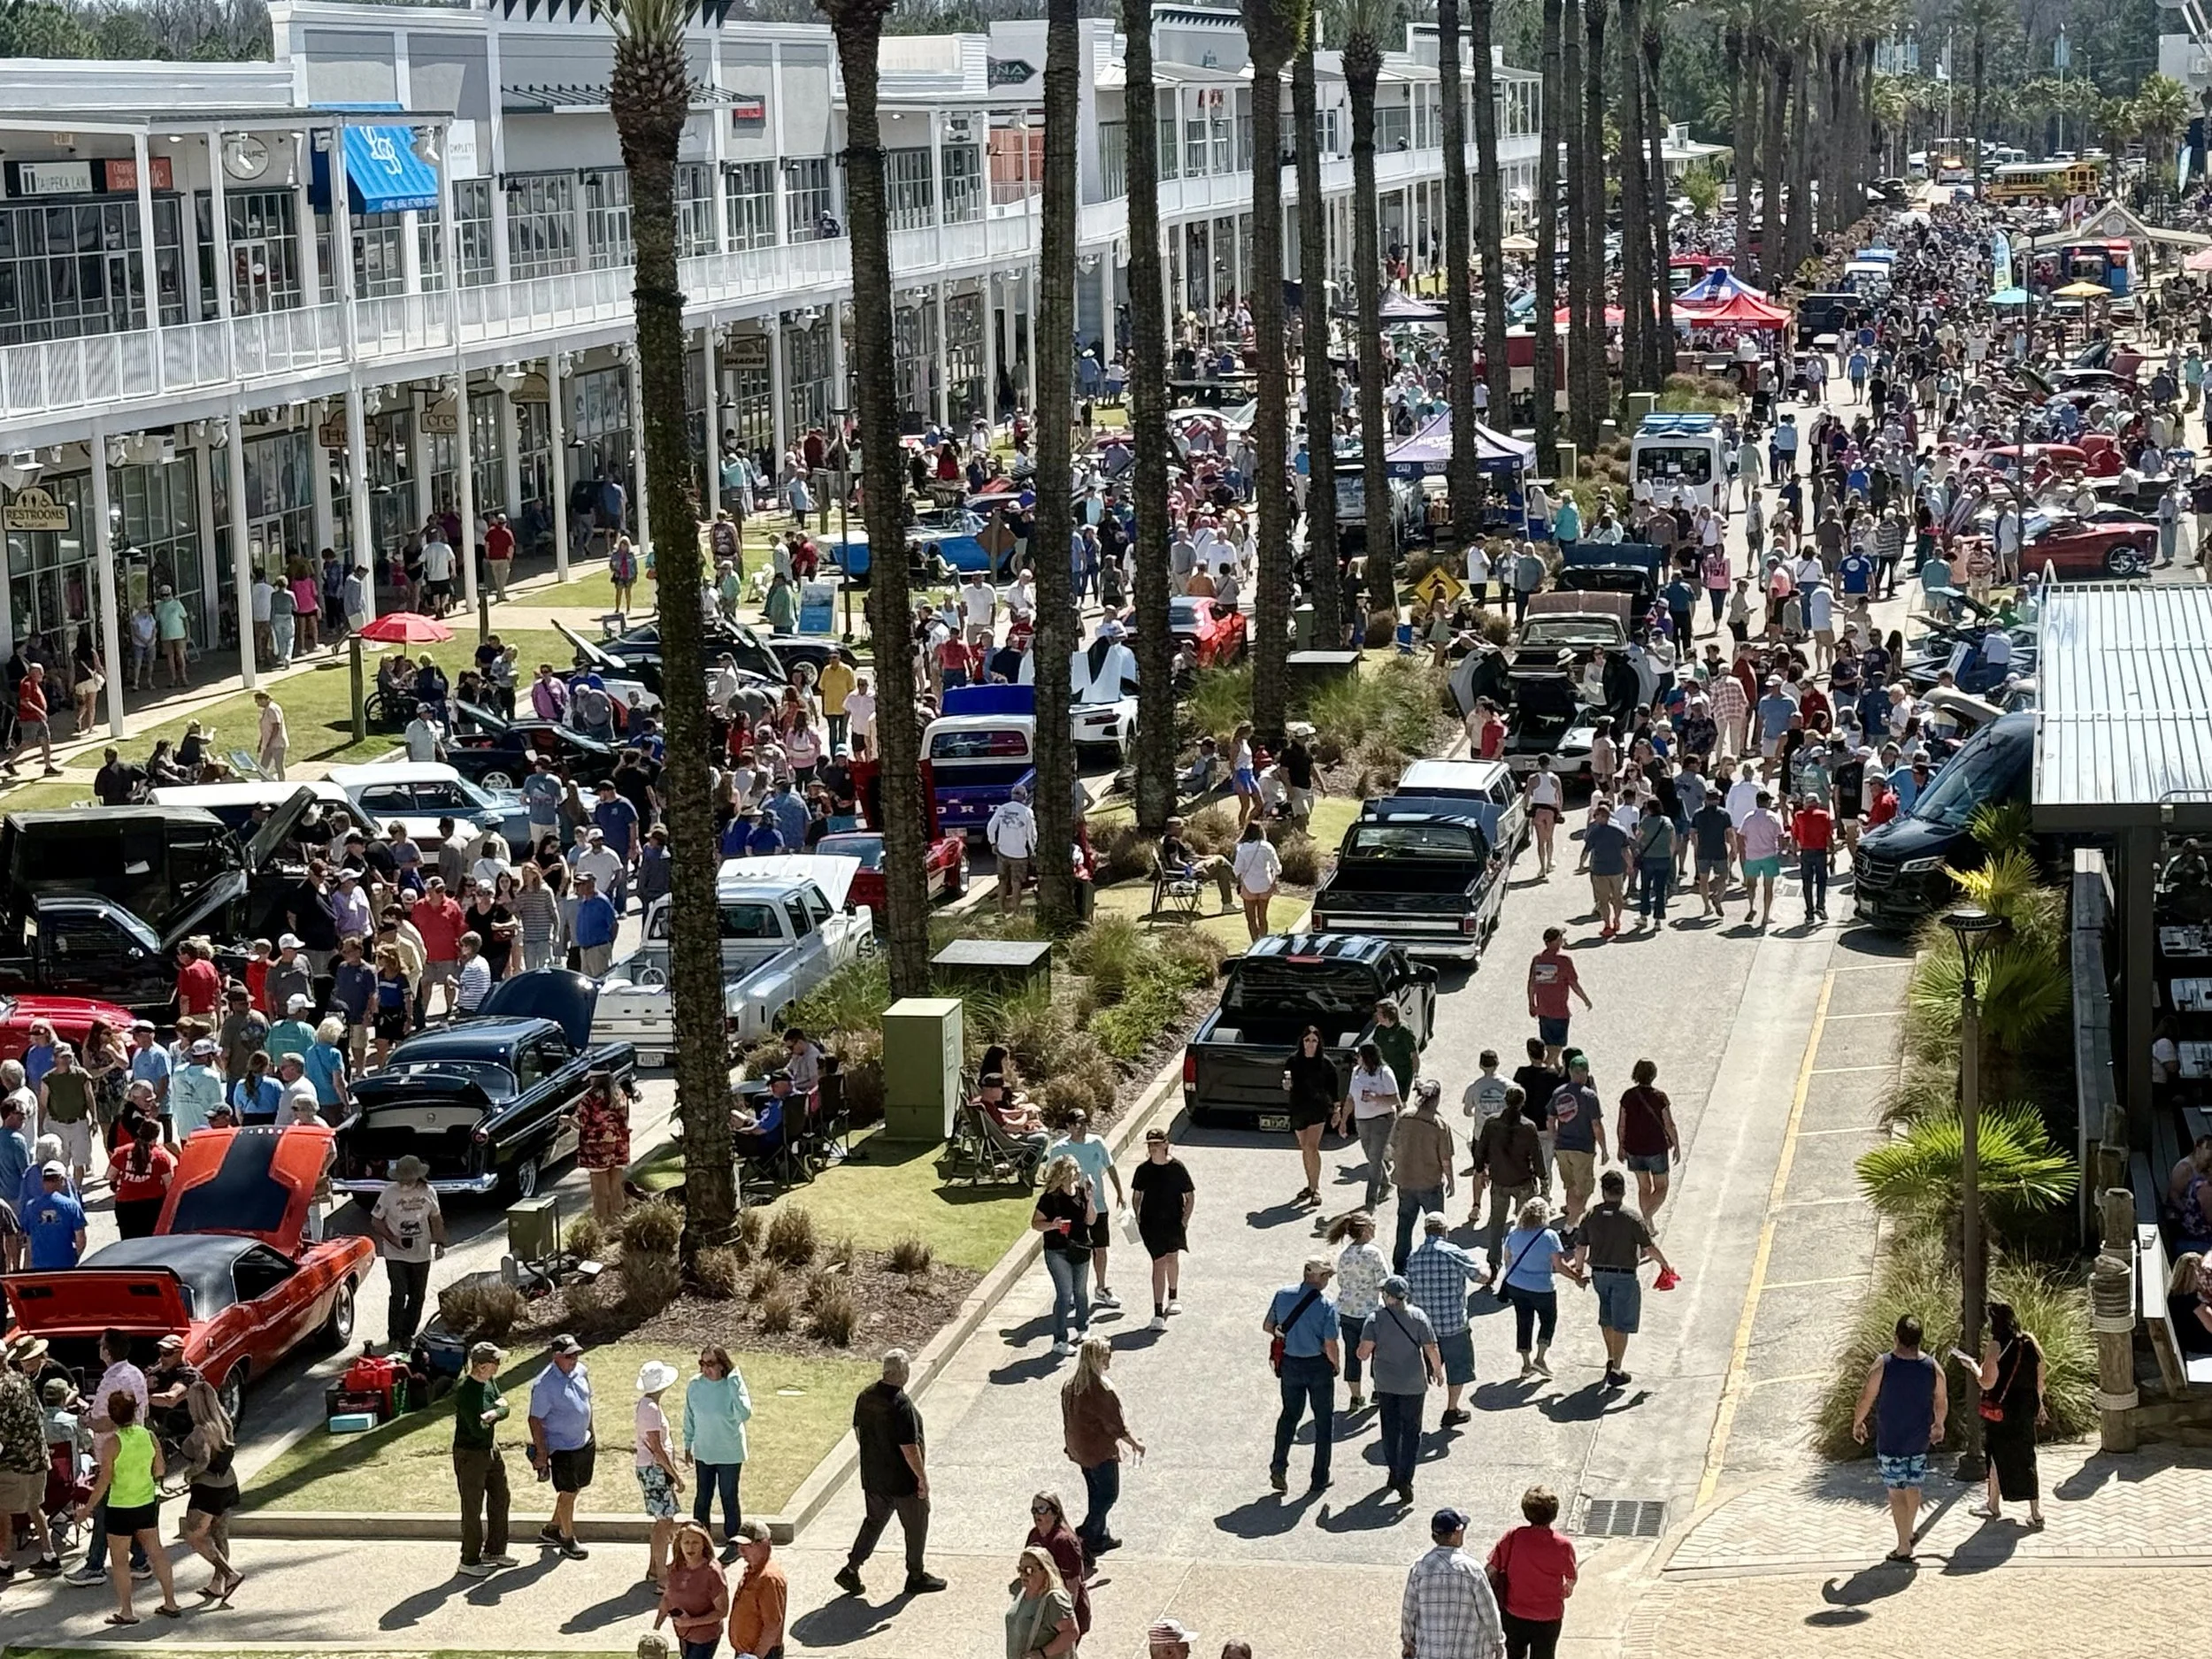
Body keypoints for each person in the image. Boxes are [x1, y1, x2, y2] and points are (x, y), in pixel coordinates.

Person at [836, 1348, 946, 1597]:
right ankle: (915, 1575)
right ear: (903, 1372)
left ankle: (852, 1568)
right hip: (903, 1482)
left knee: (873, 1523)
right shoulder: (901, 1404)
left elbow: (858, 1431)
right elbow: (909, 1447)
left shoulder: (866, 1396)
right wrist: (921, 1478)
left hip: (874, 1480)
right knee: (917, 1524)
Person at [76, 1391, 182, 1624]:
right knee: (157, 1553)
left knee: (120, 1561)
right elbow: (160, 1469)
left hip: (119, 1507)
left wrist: (86, 1509)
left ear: (112, 1416)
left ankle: (127, 1611)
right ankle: (171, 1602)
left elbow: (104, 1480)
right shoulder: (149, 1436)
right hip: (145, 1504)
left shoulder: (112, 1443)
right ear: (135, 1410)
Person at [1850, 1314, 1947, 1563]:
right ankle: (1909, 1531)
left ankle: (1904, 1545)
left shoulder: (1884, 1364)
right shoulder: (1932, 1367)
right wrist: (1939, 1425)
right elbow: (1941, 1399)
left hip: (1892, 1440)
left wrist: (1858, 1422)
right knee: (1913, 1486)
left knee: (1895, 1493)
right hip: (1919, 1440)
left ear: (1896, 1337)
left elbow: (1866, 1398)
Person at [1564, 1170, 1670, 1390]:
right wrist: (1665, 1265)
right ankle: (1617, 1369)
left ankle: (1611, 1357)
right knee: (1622, 1322)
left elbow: (1581, 1247)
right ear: (1622, 1191)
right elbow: (1649, 1247)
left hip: (1599, 1274)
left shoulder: (1591, 1215)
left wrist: (1579, 1271)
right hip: (1624, 1275)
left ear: (1604, 1192)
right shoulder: (1632, 1218)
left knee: (1607, 1316)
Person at [1357, 1273, 1441, 1503]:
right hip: (1413, 1383)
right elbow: (1431, 1347)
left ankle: (1394, 1472)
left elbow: (1363, 1353)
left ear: (1388, 1296)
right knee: (1412, 1432)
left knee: (1391, 1429)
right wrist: (1437, 1370)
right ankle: (1406, 1478)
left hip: (1386, 1383)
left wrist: (1362, 1350)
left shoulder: (1375, 1319)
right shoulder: (1418, 1317)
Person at [1263, 1256, 1340, 1494]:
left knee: (1289, 1416)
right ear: (1319, 1277)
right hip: (1318, 1367)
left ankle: (1279, 1465)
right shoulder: (1327, 1306)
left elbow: (1268, 1326)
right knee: (1323, 1421)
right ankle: (1319, 1478)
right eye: (1327, 1275)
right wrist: (1336, 1365)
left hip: (1290, 1365)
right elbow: (1330, 1344)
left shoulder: (1283, 1295)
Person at [1060, 1335, 1141, 1563]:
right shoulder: (1100, 1389)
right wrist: (1136, 1444)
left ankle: (1099, 1536)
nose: (1110, 1359)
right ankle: (1084, 1535)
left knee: (1095, 1493)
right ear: (1096, 1359)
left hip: (1080, 1449)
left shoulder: (1070, 1385)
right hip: (1099, 1451)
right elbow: (1116, 1425)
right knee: (1108, 1495)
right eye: (1106, 1355)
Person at [1973, 1301, 2047, 1526]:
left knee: (1996, 1454)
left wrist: (1974, 1368)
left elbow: (1987, 1382)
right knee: (2026, 1457)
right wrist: (2040, 1404)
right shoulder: (2029, 1340)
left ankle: (1993, 1504)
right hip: (2026, 1406)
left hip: (2002, 1410)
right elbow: (2040, 1376)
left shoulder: (1996, 1345)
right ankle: (2035, 1512)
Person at [1047, 1110, 1125, 1314]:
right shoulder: (1060, 1149)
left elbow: (1110, 1166)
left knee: (1100, 1248)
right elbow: (1051, 1178)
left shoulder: (1097, 1142)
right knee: (1071, 1249)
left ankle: (1101, 1287)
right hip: (1072, 1210)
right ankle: (1073, 1291)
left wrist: (1119, 1192)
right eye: (1078, 1123)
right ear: (1069, 1127)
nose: (1082, 1127)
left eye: (1084, 1123)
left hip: (1097, 1206)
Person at [1487, 1485, 1578, 1659]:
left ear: (1526, 1512)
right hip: (1549, 1617)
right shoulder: (1563, 1546)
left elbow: (1490, 1570)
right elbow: (1571, 1577)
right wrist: (1567, 1589)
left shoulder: (1513, 1537)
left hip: (1514, 1614)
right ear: (1554, 1513)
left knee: (1514, 1654)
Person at [1496, 1198, 1582, 1382]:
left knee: (1524, 1321)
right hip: (1542, 1288)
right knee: (1548, 1320)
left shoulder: (1514, 1232)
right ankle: (1540, 1359)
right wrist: (1577, 1278)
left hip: (1517, 1286)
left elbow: (1507, 1259)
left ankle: (1526, 1363)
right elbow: (1559, 1266)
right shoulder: (1549, 1236)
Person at [1402, 1506, 1504, 1659]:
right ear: (1456, 1533)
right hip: (1469, 1652)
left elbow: (1409, 1611)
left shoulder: (1419, 1568)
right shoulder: (1472, 1570)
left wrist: (1408, 1643)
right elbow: (1489, 1612)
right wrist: (1498, 1643)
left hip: (1429, 1652)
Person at [453, 1340, 518, 1578]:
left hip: (490, 1448)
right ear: (481, 1366)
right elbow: (477, 1427)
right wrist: (492, 1414)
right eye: (495, 1361)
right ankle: (469, 1559)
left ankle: (495, 1551)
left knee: (501, 1496)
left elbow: (504, 1406)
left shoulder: (490, 1382)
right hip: (470, 1453)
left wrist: (494, 1414)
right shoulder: (466, 1391)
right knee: (472, 1506)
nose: (498, 1365)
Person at [528, 1333, 595, 1560]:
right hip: (562, 1448)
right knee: (567, 1493)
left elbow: (587, 1404)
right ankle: (567, 1539)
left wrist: (591, 1432)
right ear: (556, 1356)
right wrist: (541, 1452)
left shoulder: (581, 1371)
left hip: (583, 1441)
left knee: (575, 1489)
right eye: (569, 1355)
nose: (574, 1359)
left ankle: (551, 1529)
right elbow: (535, 1420)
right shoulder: (544, 1385)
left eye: (576, 1354)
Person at [370, 1156, 445, 1353]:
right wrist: (392, 1238)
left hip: (421, 1253)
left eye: (408, 1179)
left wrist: (439, 1242)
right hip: (395, 1254)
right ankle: (394, 1335)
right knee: (398, 1293)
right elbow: (376, 1220)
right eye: (401, 1179)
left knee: (417, 1296)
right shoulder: (389, 1193)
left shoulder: (429, 1192)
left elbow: (435, 1218)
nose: (404, 1183)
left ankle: (407, 1334)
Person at [1470, 1091, 1546, 1286]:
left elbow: (1481, 1150)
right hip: (1523, 1182)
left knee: (1496, 1224)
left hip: (1500, 1181)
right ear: (1522, 1104)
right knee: (1525, 1225)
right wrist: (1543, 1178)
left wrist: (1480, 1170)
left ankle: (1493, 1265)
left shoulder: (1492, 1123)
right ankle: (1521, 1262)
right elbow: (1537, 1156)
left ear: (1505, 1101)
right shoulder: (1528, 1127)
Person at [174, 1379, 241, 1601]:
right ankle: (217, 1584)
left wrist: (189, 1473)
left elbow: (202, 1460)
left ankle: (230, 1574)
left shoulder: (202, 1430)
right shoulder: (225, 1424)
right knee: (220, 1535)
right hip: (228, 1484)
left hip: (207, 1489)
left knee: (194, 1536)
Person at [682, 1346, 751, 1550]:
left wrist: (734, 1384)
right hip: (704, 1451)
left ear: (722, 1365)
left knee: (729, 1495)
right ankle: (700, 1540)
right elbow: (689, 1416)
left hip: (729, 1452)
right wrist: (687, 1443)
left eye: (710, 1364)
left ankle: (734, 1543)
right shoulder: (695, 1385)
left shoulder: (732, 1384)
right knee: (703, 1496)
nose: (705, 1369)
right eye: (702, 1363)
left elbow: (745, 1414)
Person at [1386, 1079, 1455, 1273]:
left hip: (1405, 1182)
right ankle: (1438, 1263)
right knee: (1436, 1227)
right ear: (1437, 1099)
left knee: (1404, 1225)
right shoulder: (1439, 1124)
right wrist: (1451, 1180)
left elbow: (1392, 1146)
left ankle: (1400, 1266)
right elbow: (1445, 1159)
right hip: (1430, 1184)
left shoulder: (1404, 1116)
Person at [1129, 1126, 1194, 1330]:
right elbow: (1137, 1196)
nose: (1154, 1148)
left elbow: (1190, 1196)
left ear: (1165, 1144)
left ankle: (1173, 1297)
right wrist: (1138, 1217)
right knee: (1158, 1262)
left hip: (1174, 1221)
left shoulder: (1177, 1168)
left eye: (1157, 1144)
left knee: (1172, 1257)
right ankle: (1157, 1312)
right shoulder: (1143, 1170)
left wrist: (1185, 1221)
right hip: (1151, 1224)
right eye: (1151, 1145)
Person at [1033, 1155, 1097, 1358]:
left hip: (1080, 1247)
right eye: (1075, 1168)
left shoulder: (1080, 1192)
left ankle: (1082, 1328)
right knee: (1064, 1292)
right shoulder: (1050, 1198)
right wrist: (1053, 1225)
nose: (1079, 1172)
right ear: (1065, 1173)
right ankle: (1060, 1339)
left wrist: (1090, 1197)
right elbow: (1035, 1223)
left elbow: (1091, 1220)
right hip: (1057, 1250)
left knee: (1080, 1291)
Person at [636, 1359, 686, 1586]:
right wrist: (675, 1475)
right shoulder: (651, 1409)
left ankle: (655, 1568)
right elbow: (656, 1447)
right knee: (665, 1522)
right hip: (655, 1471)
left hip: (651, 1470)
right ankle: (662, 1577)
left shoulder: (646, 1406)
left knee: (661, 1521)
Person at [1338, 1040, 1403, 1212]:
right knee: (1371, 1155)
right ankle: (1386, 1184)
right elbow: (1351, 1098)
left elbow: (1396, 1099)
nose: (1357, 1059)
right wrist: (1344, 1120)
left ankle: (1370, 1202)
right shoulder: (1356, 1073)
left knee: (1374, 1160)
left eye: (1359, 1056)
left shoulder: (1385, 1073)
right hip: (1362, 1120)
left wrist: (1376, 1098)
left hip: (1382, 1119)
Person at [1615, 1059, 1681, 1228]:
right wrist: (1676, 1145)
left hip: (1633, 1148)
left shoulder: (1628, 1096)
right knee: (1662, 1187)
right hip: (1656, 1149)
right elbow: (1669, 1124)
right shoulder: (1659, 1097)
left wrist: (1621, 1146)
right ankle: (1645, 1220)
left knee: (1644, 1187)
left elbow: (1622, 1124)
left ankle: (1648, 1224)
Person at [653, 1522, 730, 1659]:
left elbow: (722, 1611)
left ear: (704, 1545)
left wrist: (690, 1622)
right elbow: (667, 1598)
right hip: (683, 1633)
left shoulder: (712, 1573)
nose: (690, 1547)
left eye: (695, 1542)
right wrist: (655, 1628)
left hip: (705, 1636)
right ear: (679, 1545)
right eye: (686, 1542)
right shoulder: (675, 1568)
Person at [1281, 1026, 1338, 1208]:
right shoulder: (1293, 1060)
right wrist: (1285, 1084)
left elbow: (1334, 1088)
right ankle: (1310, 1184)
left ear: (1319, 1042)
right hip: (1298, 1107)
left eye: (1314, 1040)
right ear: (1302, 1042)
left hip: (1317, 1108)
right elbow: (1285, 1081)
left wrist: (1337, 1110)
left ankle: (1316, 1187)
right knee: (1304, 1148)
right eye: (1307, 1040)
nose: (1311, 1044)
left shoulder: (1325, 1063)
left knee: (1312, 1147)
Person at [1023, 1492, 1090, 1635]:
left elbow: (1072, 1586)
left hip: (1062, 1614)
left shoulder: (1065, 1542)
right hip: (1041, 1609)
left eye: (1041, 1509)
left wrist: (1065, 1618)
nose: (1036, 1514)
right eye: (1034, 1510)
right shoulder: (1034, 1535)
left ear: (1055, 1512)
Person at [576, 1069, 631, 1227]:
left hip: (596, 1150)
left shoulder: (591, 1098)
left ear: (595, 1079)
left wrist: (566, 1121)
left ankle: (602, 1227)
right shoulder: (620, 1094)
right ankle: (618, 1225)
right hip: (619, 1147)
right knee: (616, 1189)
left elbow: (582, 1121)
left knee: (600, 1192)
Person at [725, 1520, 787, 1659]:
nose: (741, 1551)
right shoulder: (753, 1571)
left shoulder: (768, 1578)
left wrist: (756, 1656)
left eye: (748, 1545)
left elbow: (773, 1624)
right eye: (739, 1545)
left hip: (762, 1654)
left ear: (765, 1544)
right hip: (746, 1653)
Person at [1526, 929, 1589, 1065]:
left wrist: (1531, 1003)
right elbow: (1573, 983)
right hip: (1560, 1011)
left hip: (1543, 1009)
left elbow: (1532, 984)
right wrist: (1585, 999)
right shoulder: (1564, 960)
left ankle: (1557, 1067)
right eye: (1561, 937)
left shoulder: (1538, 959)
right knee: (1558, 1046)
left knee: (1549, 1043)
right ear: (1555, 941)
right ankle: (1546, 1067)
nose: (1562, 940)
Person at [1005, 1545, 1080, 1659]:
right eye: (1020, 1570)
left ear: (1045, 1571)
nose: (1023, 1575)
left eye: (1029, 1570)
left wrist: (1042, 1653)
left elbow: (1071, 1633)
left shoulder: (1054, 1599)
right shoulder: (1025, 1592)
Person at [105, 1119, 174, 1239]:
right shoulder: (161, 1157)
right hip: (153, 1205)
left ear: (139, 1132)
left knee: (128, 1242)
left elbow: (110, 1175)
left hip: (126, 1205)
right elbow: (170, 1186)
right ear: (156, 1137)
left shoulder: (121, 1152)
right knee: (151, 1241)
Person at [987, 786, 1038, 917]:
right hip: (1019, 854)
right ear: (1024, 797)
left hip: (1003, 851)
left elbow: (991, 827)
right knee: (1016, 884)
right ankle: (1016, 911)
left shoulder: (1003, 808)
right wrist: (1033, 850)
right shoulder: (1027, 812)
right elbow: (1032, 834)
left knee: (1002, 881)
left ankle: (1000, 910)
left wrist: (993, 843)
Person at [1231, 821, 1281, 942]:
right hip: (1265, 884)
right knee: (1262, 917)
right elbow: (1277, 868)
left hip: (1248, 886)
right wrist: (1273, 877)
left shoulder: (1242, 848)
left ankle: (1255, 943)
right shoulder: (1267, 846)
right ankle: (1263, 944)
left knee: (1251, 919)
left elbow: (1237, 870)